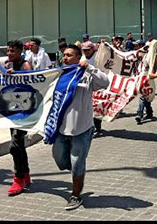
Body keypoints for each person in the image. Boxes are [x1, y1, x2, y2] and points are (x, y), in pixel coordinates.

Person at [53, 44, 109, 210]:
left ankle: (76, 195)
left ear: (78, 58)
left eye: (69, 55)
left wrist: (89, 68)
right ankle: (76, 170)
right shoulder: (59, 74)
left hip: (82, 129)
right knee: (60, 159)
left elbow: (105, 82)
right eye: (64, 55)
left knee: (77, 163)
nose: (65, 58)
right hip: (61, 129)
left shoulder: (86, 74)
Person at [4, 40, 34, 196]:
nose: (9, 54)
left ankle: (18, 178)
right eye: (8, 51)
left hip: (24, 112)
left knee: (14, 145)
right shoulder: (8, 65)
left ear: (20, 52)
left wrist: (15, 76)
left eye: (13, 51)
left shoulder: (26, 66)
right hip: (12, 111)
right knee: (19, 145)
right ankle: (26, 173)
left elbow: (31, 84)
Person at [81, 41, 104, 137]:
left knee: (97, 107)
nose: (86, 52)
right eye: (84, 50)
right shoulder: (83, 58)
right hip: (86, 85)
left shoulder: (98, 57)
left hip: (98, 85)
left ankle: (97, 128)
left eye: (88, 50)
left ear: (92, 49)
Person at [134, 40, 155, 125]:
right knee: (145, 96)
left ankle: (140, 114)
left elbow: (154, 66)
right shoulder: (137, 56)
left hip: (147, 79)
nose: (136, 47)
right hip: (139, 78)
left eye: (137, 45)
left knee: (143, 96)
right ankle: (149, 112)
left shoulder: (149, 56)